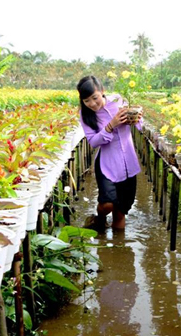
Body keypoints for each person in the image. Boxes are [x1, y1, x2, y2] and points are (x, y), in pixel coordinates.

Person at [77, 75, 143, 230]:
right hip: (107, 164)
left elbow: (138, 125)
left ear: (102, 91)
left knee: (120, 213)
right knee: (107, 204)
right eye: (87, 101)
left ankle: (118, 249)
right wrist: (110, 126)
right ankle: (99, 218)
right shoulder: (85, 115)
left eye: (95, 98)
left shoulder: (119, 102)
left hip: (128, 162)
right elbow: (93, 142)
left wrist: (138, 117)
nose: (92, 104)